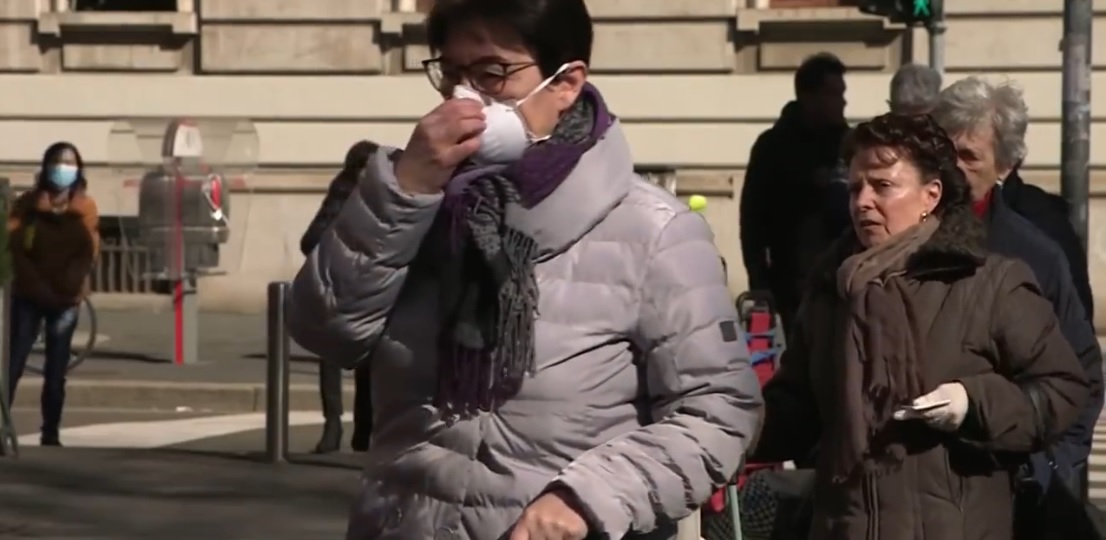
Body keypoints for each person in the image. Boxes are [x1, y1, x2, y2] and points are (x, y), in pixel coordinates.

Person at [287, 0, 763, 538]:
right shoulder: (416, 202)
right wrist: (402, 192)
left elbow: (719, 410)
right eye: (451, 74)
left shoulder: (653, 231)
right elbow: (325, 330)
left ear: (566, 84)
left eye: (492, 73)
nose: (465, 98)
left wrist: (589, 499)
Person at [752, 113, 1089, 540]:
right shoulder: (831, 289)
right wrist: (727, 428)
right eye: (854, 188)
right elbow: (796, 409)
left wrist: (972, 404)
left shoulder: (988, 283)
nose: (862, 202)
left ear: (931, 195)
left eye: (882, 186)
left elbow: (1064, 389)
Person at [931, 77, 1104, 533]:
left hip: (1003, 495)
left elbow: (1081, 375)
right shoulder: (886, 240)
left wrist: (1044, 469)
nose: (953, 167)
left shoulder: (1035, 254)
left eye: (969, 155)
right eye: (943, 151)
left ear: (1004, 166)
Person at [740, 52, 851, 333]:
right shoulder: (774, 147)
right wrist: (759, 281)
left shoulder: (850, 146)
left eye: (842, 93)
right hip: (793, 287)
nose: (843, 102)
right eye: (833, 94)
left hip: (846, 281)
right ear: (808, 97)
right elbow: (752, 218)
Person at [7, 141, 100, 447]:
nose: (63, 168)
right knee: (14, 362)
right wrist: (36, 284)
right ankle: (3, 423)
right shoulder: (28, 205)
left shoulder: (84, 207)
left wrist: (65, 285)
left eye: (69, 162)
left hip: (66, 298)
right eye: (57, 162)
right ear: (46, 166)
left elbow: (87, 253)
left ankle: (51, 430)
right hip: (29, 293)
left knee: (56, 367)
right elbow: (16, 247)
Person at [298, 140, 376, 454]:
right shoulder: (341, 197)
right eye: (366, 169)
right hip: (338, 290)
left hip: (370, 292)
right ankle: (332, 425)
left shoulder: (385, 200)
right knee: (330, 358)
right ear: (355, 170)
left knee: (368, 364)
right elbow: (310, 240)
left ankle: (364, 429)